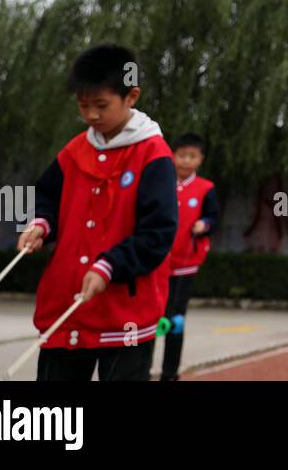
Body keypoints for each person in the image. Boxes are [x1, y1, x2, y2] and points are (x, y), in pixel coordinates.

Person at [17, 43, 177, 381]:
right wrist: (40, 224)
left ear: (131, 97)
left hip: (125, 312)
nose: (91, 115)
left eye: (101, 105)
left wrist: (110, 265)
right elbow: (46, 197)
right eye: (83, 105)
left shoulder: (153, 154)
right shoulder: (75, 151)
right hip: (67, 308)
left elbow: (159, 232)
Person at [159, 132, 219, 381]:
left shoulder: (206, 189)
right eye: (181, 155)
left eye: (191, 156)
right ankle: (139, 370)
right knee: (151, 318)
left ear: (200, 160)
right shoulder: (161, 183)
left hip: (185, 265)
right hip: (157, 263)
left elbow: (213, 218)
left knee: (175, 319)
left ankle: (169, 372)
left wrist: (204, 225)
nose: (185, 161)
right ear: (173, 156)